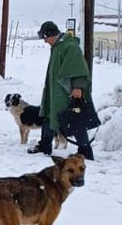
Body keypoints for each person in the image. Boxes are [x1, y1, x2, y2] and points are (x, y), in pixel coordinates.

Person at [28, 20, 95, 160]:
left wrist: (78, 87)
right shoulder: (57, 46)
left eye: (45, 38)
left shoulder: (69, 46)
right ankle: (45, 144)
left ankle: (85, 150)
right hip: (55, 92)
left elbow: (78, 68)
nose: (45, 41)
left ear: (51, 35)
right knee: (49, 116)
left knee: (74, 119)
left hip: (67, 93)